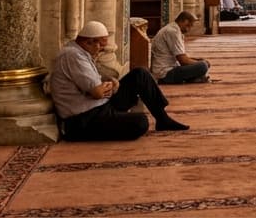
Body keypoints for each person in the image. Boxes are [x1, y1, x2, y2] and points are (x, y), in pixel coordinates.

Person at [49, 21, 189, 140]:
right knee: (140, 122)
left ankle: (162, 118)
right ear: (91, 42)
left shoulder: (80, 52)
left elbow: (95, 85)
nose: (101, 50)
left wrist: (110, 84)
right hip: (83, 119)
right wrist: (107, 87)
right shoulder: (73, 56)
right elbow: (97, 92)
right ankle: (114, 121)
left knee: (140, 74)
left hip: (99, 106)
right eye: (101, 46)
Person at [150, 12, 211, 83]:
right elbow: (183, 61)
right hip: (164, 73)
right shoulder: (172, 32)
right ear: (183, 21)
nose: (189, 29)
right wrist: (200, 63)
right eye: (188, 25)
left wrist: (198, 60)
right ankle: (194, 78)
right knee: (203, 66)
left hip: (170, 68)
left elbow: (182, 57)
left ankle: (194, 79)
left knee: (203, 63)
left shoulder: (174, 29)